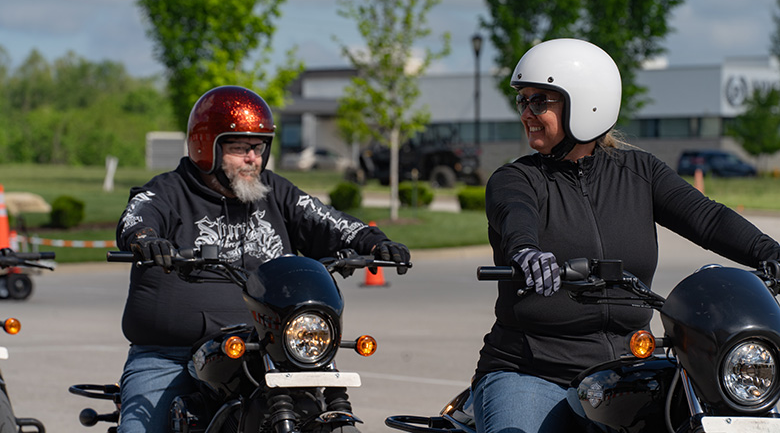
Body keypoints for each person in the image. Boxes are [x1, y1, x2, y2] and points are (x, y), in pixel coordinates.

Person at [472, 38, 780, 433]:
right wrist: (527, 253)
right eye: (523, 101)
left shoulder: (640, 172)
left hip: (626, 369)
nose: (527, 113)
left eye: (540, 101)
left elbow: (708, 219)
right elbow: (516, 217)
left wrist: (770, 252)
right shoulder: (517, 179)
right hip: (532, 371)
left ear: (586, 103)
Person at [115, 85, 410, 433]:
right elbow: (136, 217)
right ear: (205, 146)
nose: (253, 158)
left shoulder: (275, 192)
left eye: (258, 147)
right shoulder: (168, 191)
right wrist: (146, 240)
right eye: (240, 148)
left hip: (269, 347)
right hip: (171, 355)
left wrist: (373, 242)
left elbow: (327, 220)